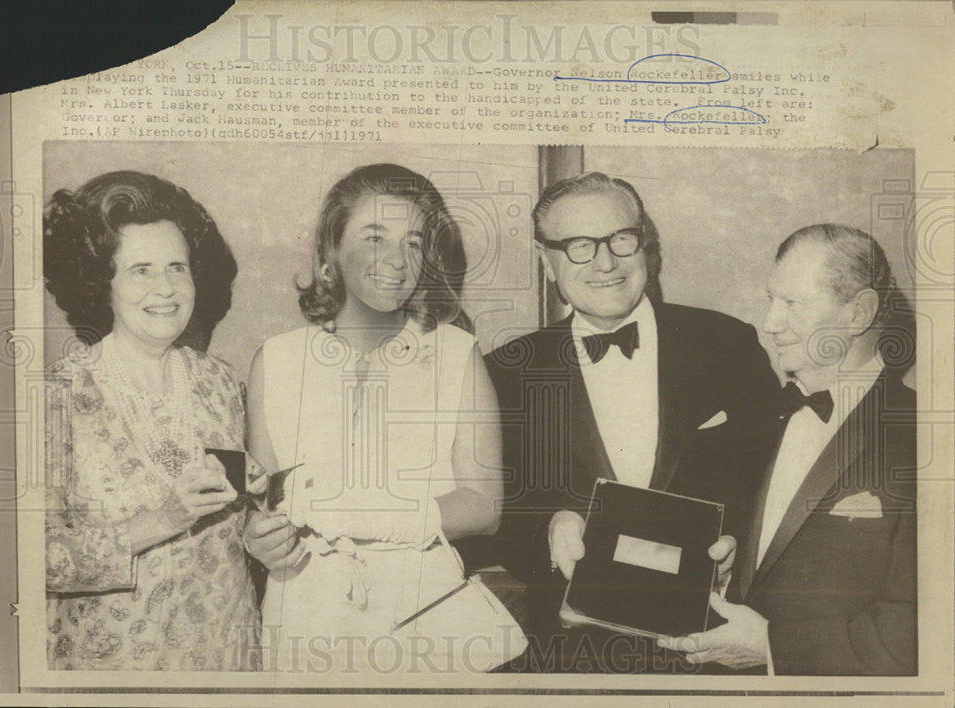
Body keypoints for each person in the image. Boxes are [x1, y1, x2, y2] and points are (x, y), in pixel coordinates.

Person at [483, 172, 781, 672]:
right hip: (572, 659)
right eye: (579, 245)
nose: (605, 263)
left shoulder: (727, 342)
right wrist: (550, 533)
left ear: (645, 244)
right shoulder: (507, 371)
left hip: (715, 652)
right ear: (546, 260)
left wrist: (738, 552)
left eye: (620, 239)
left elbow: (774, 478)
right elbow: (497, 516)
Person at [245, 163, 504, 672]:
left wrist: (361, 518)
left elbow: (484, 506)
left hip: (422, 609)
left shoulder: (456, 353)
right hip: (305, 610)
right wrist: (260, 540)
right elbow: (264, 502)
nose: (397, 261)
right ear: (331, 252)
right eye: (374, 237)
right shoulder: (274, 359)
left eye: (413, 243)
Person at [659, 224, 917, 675]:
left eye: (792, 303)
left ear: (859, 313)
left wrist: (776, 650)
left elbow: (919, 629)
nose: (769, 324)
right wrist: (715, 577)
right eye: (770, 300)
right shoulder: (749, 425)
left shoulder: (925, 439)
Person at [43, 170, 260, 670]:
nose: (165, 288)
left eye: (176, 268)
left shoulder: (220, 382)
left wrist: (261, 500)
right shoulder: (57, 395)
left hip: (227, 651)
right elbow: (34, 556)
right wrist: (162, 519)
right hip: (116, 662)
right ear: (102, 282)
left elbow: (238, 516)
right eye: (140, 269)